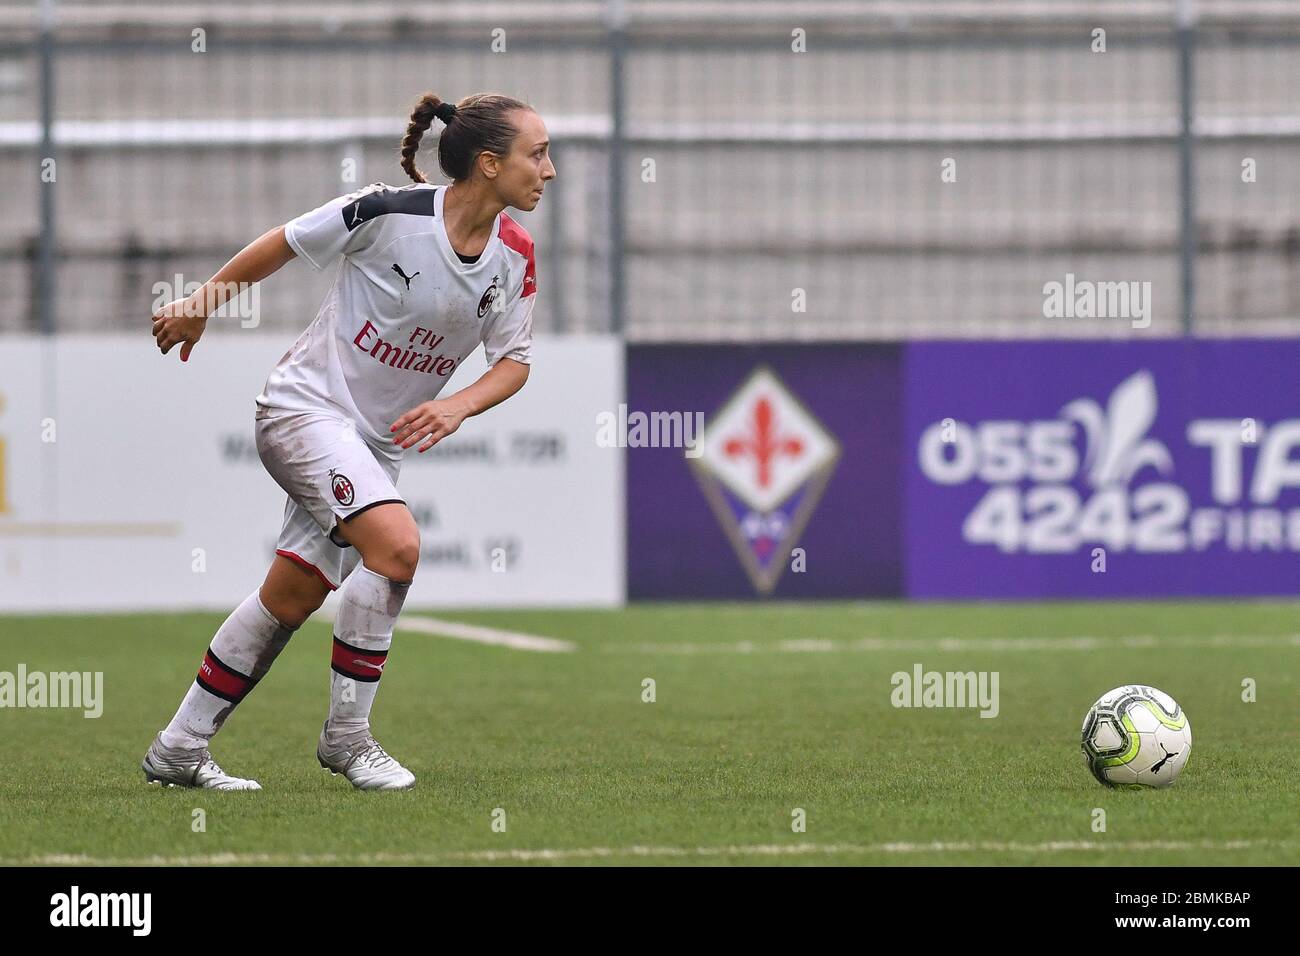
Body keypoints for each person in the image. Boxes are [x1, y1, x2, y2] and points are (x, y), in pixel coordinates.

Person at [142, 92, 554, 790]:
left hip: (369, 448)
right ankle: (347, 738)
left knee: (291, 598)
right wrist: (199, 305)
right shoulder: (386, 212)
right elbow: (285, 241)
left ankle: (179, 748)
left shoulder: (515, 254)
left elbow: (513, 362)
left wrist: (457, 405)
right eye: (537, 154)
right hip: (304, 411)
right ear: (489, 163)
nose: (549, 170)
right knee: (397, 546)